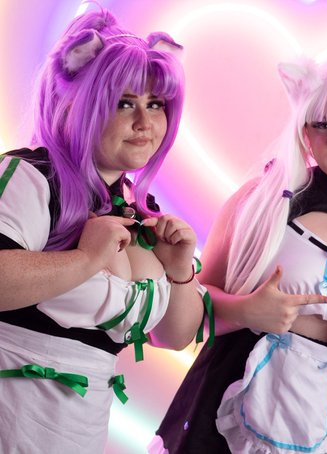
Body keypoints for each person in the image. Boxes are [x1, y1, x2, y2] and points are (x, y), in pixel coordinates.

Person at [150, 48, 327, 453]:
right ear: (304, 131)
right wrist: (245, 310)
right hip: (228, 408)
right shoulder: (259, 202)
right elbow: (192, 308)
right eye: (323, 125)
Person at [0, 8, 209, 453]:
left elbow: (173, 337)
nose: (145, 123)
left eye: (156, 104)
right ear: (76, 102)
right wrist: (84, 258)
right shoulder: (30, 176)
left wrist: (179, 270)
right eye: (124, 103)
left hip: (82, 430)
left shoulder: (144, 212)